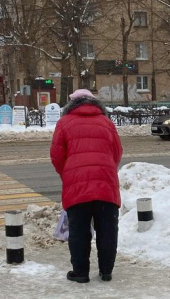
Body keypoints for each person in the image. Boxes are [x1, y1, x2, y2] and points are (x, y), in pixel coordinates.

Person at [50, 89, 123, 283]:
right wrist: (105, 170)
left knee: (79, 231)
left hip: (77, 185)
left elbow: (57, 156)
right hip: (105, 183)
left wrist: (68, 173)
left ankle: (81, 273)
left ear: (71, 103)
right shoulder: (107, 123)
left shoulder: (64, 123)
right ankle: (106, 271)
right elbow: (116, 152)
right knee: (107, 229)